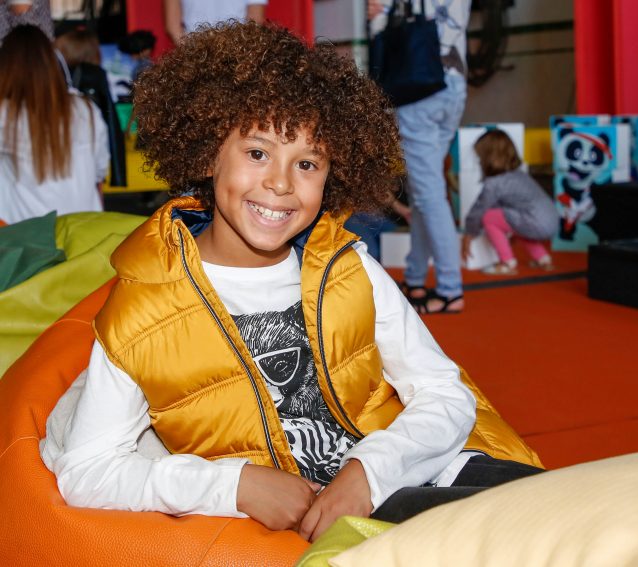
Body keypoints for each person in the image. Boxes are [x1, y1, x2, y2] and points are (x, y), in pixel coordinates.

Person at [40, 22, 543, 542]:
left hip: (418, 476)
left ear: (332, 175)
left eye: (306, 163)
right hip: (330, 529)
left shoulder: (347, 268)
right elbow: (87, 469)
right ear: (209, 152)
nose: (280, 183)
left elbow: (444, 392)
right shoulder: (143, 309)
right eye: (257, 153)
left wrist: (369, 472)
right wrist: (232, 485)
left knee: (573, 511)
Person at [368, 0, 471, 314]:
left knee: (428, 195)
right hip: (454, 82)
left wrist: (378, 16)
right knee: (427, 188)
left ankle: (450, 290)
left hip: (418, 84)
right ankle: (415, 277)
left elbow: (379, 17)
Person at [0, 25, 109, 225]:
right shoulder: (85, 109)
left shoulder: (5, 114)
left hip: (27, 236)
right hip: (84, 231)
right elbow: (98, 177)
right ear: (52, 63)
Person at [462, 129, 559, 275]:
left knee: (488, 216)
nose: (480, 162)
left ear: (488, 158)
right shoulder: (519, 175)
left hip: (535, 222)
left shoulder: (494, 183)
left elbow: (479, 209)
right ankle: (543, 258)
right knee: (514, 221)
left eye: (480, 158)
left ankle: (507, 262)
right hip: (552, 221)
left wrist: (469, 233)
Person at [54, 26, 127, 188]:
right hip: (88, 150)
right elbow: (111, 120)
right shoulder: (95, 75)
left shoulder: (52, 74)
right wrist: (118, 174)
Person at [163, 0, 266, 43]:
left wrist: (195, 53)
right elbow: (254, 22)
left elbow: (173, 27)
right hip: (236, 51)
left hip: (195, 51)